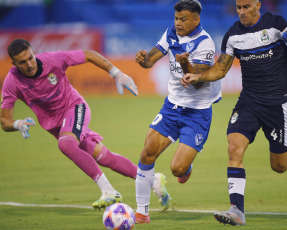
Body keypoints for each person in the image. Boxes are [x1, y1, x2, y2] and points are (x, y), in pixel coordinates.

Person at [181, 0, 287, 226]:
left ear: (257, 5)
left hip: (277, 103)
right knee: (234, 146)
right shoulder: (233, 34)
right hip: (249, 102)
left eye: (246, 7)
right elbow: (221, 69)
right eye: (239, 7)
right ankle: (237, 210)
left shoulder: (275, 24)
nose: (242, 12)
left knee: (280, 166)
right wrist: (198, 76)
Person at [0, 38, 169, 210]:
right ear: (13, 64)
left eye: (30, 58)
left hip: (74, 107)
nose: (29, 64)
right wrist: (17, 124)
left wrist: (116, 73)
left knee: (65, 144)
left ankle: (109, 191)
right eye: (22, 62)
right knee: (105, 157)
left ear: (34, 53)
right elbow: (4, 120)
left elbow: (88, 55)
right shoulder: (12, 82)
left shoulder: (53, 60)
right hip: (56, 125)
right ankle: (153, 181)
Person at [134, 0, 222, 224]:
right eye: (176, 18)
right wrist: (142, 59)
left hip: (197, 112)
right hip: (172, 107)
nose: (178, 23)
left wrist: (185, 65)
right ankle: (142, 213)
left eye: (183, 19)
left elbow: (197, 81)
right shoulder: (171, 33)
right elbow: (150, 60)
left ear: (196, 20)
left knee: (177, 169)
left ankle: (187, 165)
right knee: (147, 153)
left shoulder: (205, 43)